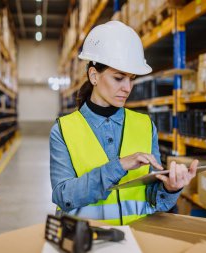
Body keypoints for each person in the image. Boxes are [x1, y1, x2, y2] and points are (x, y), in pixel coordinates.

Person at [50, 21, 198, 225]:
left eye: (131, 78)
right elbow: (63, 195)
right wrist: (118, 166)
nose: (127, 88)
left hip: (137, 239)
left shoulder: (145, 125)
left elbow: (154, 198)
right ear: (94, 75)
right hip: (85, 240)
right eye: (119, 78)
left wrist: (170, 188)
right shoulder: (63, 130)